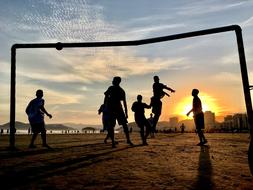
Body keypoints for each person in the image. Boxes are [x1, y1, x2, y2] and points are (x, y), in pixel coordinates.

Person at [104, 76, 133, 146]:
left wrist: (126, 113)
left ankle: (127, 140)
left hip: (116, 109)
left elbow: (124, 102)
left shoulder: (118, 90)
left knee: (117, 125)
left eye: (113, 80)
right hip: (114, 109)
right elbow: (106, 97)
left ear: (117, 81)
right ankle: (115, 141)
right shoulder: (115, 89)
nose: (112, 81)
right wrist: (105, 106)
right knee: (115, 125)